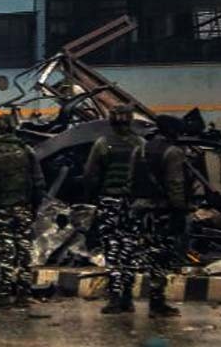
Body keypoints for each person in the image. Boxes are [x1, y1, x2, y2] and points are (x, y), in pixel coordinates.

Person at [0, 113, 45, 309]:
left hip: (3, 209)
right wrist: (35, 206)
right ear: (14, 128)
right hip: (24, 207)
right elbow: (39, 183)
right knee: (24, 249)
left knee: (6, 250)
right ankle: (23, 293)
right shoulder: (27, 151)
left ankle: (3, 294)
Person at [83, 105, 144, 314]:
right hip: (133, 204)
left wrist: (94, 196)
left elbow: (90, 174)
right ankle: (128, 296)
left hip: (110, 201)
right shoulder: (140, 144)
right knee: (129, 249)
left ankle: (115, 297)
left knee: (112, 249)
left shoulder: (103, 144)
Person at [129, 114, 188, 318]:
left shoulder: (140, 149)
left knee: (139, 254)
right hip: (161, 211)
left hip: (140, 209)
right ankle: (157, 302)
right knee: (160, 256)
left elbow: (130, 180)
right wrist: (179, 211)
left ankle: (123, 298)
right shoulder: (173, 152)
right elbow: (175, 184)